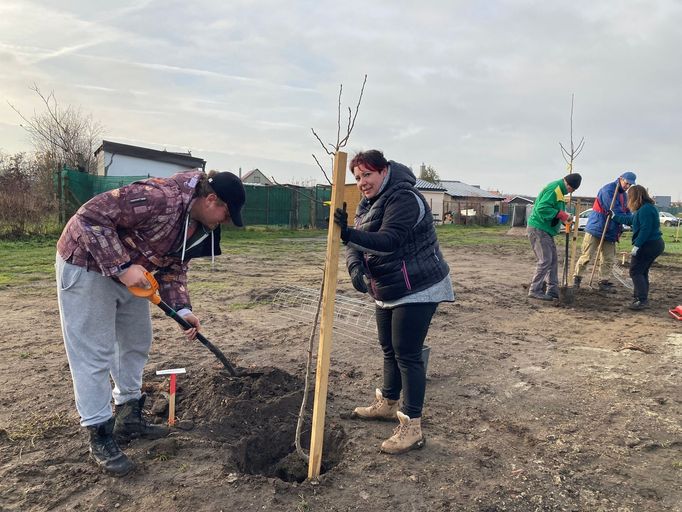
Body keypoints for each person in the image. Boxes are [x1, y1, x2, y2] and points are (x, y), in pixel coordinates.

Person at [56, 169, 246, 476]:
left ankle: (128, 414)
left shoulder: (196, 224)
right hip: (87, 264)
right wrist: (121, 267)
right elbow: (87, 218)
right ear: (211, 199)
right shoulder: (159, 197)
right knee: (95, 353)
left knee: (135, 341)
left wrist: (183, 310)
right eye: (226, 212)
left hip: (133, 274)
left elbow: (174, 268)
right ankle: (100, 434)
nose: (226, 220)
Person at [333, 150, 454, 455]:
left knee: (408, 354)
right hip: (387, 288)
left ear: (384, 171)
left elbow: (389, 242)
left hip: (418, 285)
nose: (361, 182)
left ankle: (412, 427)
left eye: (367, 175)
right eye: (357, 177)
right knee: (388, 347)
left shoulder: (405, 198)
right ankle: (388, 402)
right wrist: (355, 267)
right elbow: (356, 244)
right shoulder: (366, 204)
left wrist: (347, 233)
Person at [573, 172, 636, 291]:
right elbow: (614, 211)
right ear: (620, 179)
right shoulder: (607, 190)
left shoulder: (624, 196)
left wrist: (630, 218)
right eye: (626, 183)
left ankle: (603, 281)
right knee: (586, 256)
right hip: (597, 227)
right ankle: (577, 278)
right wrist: (627, 218)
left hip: (611, 230)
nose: (627, 186)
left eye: (630, 185)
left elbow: (626, 211)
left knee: (608, 258)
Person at [526, 173, 582, 300]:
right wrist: (562, 215)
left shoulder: (560, 191)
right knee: (545, 260)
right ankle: (535, 290)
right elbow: (542, 209)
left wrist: (564, 218)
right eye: (571, 189)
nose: (570, 192)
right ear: (567, 183)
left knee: (553, 261)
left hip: (545, 230)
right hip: (538, 228)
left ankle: (552, 290)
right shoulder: (554, 189)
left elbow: (555, 210)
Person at [610, 185, 664, 310]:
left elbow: (646, 229)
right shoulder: (645, 209)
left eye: (630, 197)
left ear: (635, 197)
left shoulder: (646, 210)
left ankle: (641, 300)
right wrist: (614, 216)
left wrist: (637, 246)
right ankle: (640, 297)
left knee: (635, 271)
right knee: (642, 271)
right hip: (654, 244)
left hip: (649, 244)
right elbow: (630, 220)